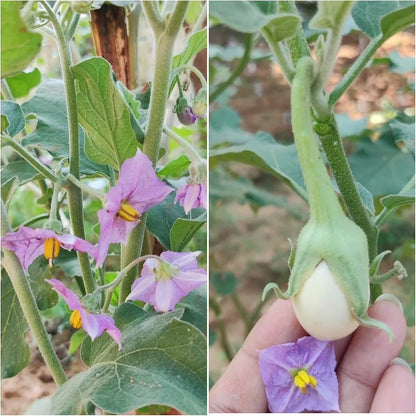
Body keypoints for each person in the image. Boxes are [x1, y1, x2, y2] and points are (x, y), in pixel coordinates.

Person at [210, 295, 415, 413]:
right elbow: (271, 357)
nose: (303, 381)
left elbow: (275, 358)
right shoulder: (278, 361)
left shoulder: (281, 363)